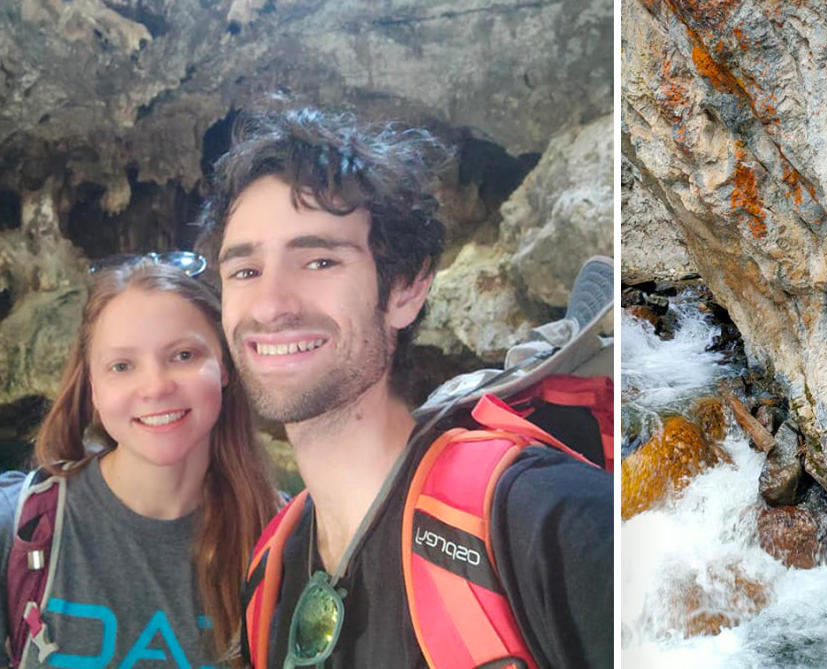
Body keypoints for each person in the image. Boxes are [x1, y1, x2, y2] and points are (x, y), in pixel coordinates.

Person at [194, 108, 612, 667]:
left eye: (318, 260)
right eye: (245, 272)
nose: (270, 305)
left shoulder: (544, 522)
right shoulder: (273, 568)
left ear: (407, 290)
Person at [0, 256, 280, 667]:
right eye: (122, 366)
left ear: (224, 366)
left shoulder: (285, 537)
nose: (155, 387)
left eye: (183, 355)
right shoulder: (19, 526)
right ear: (93, 387)